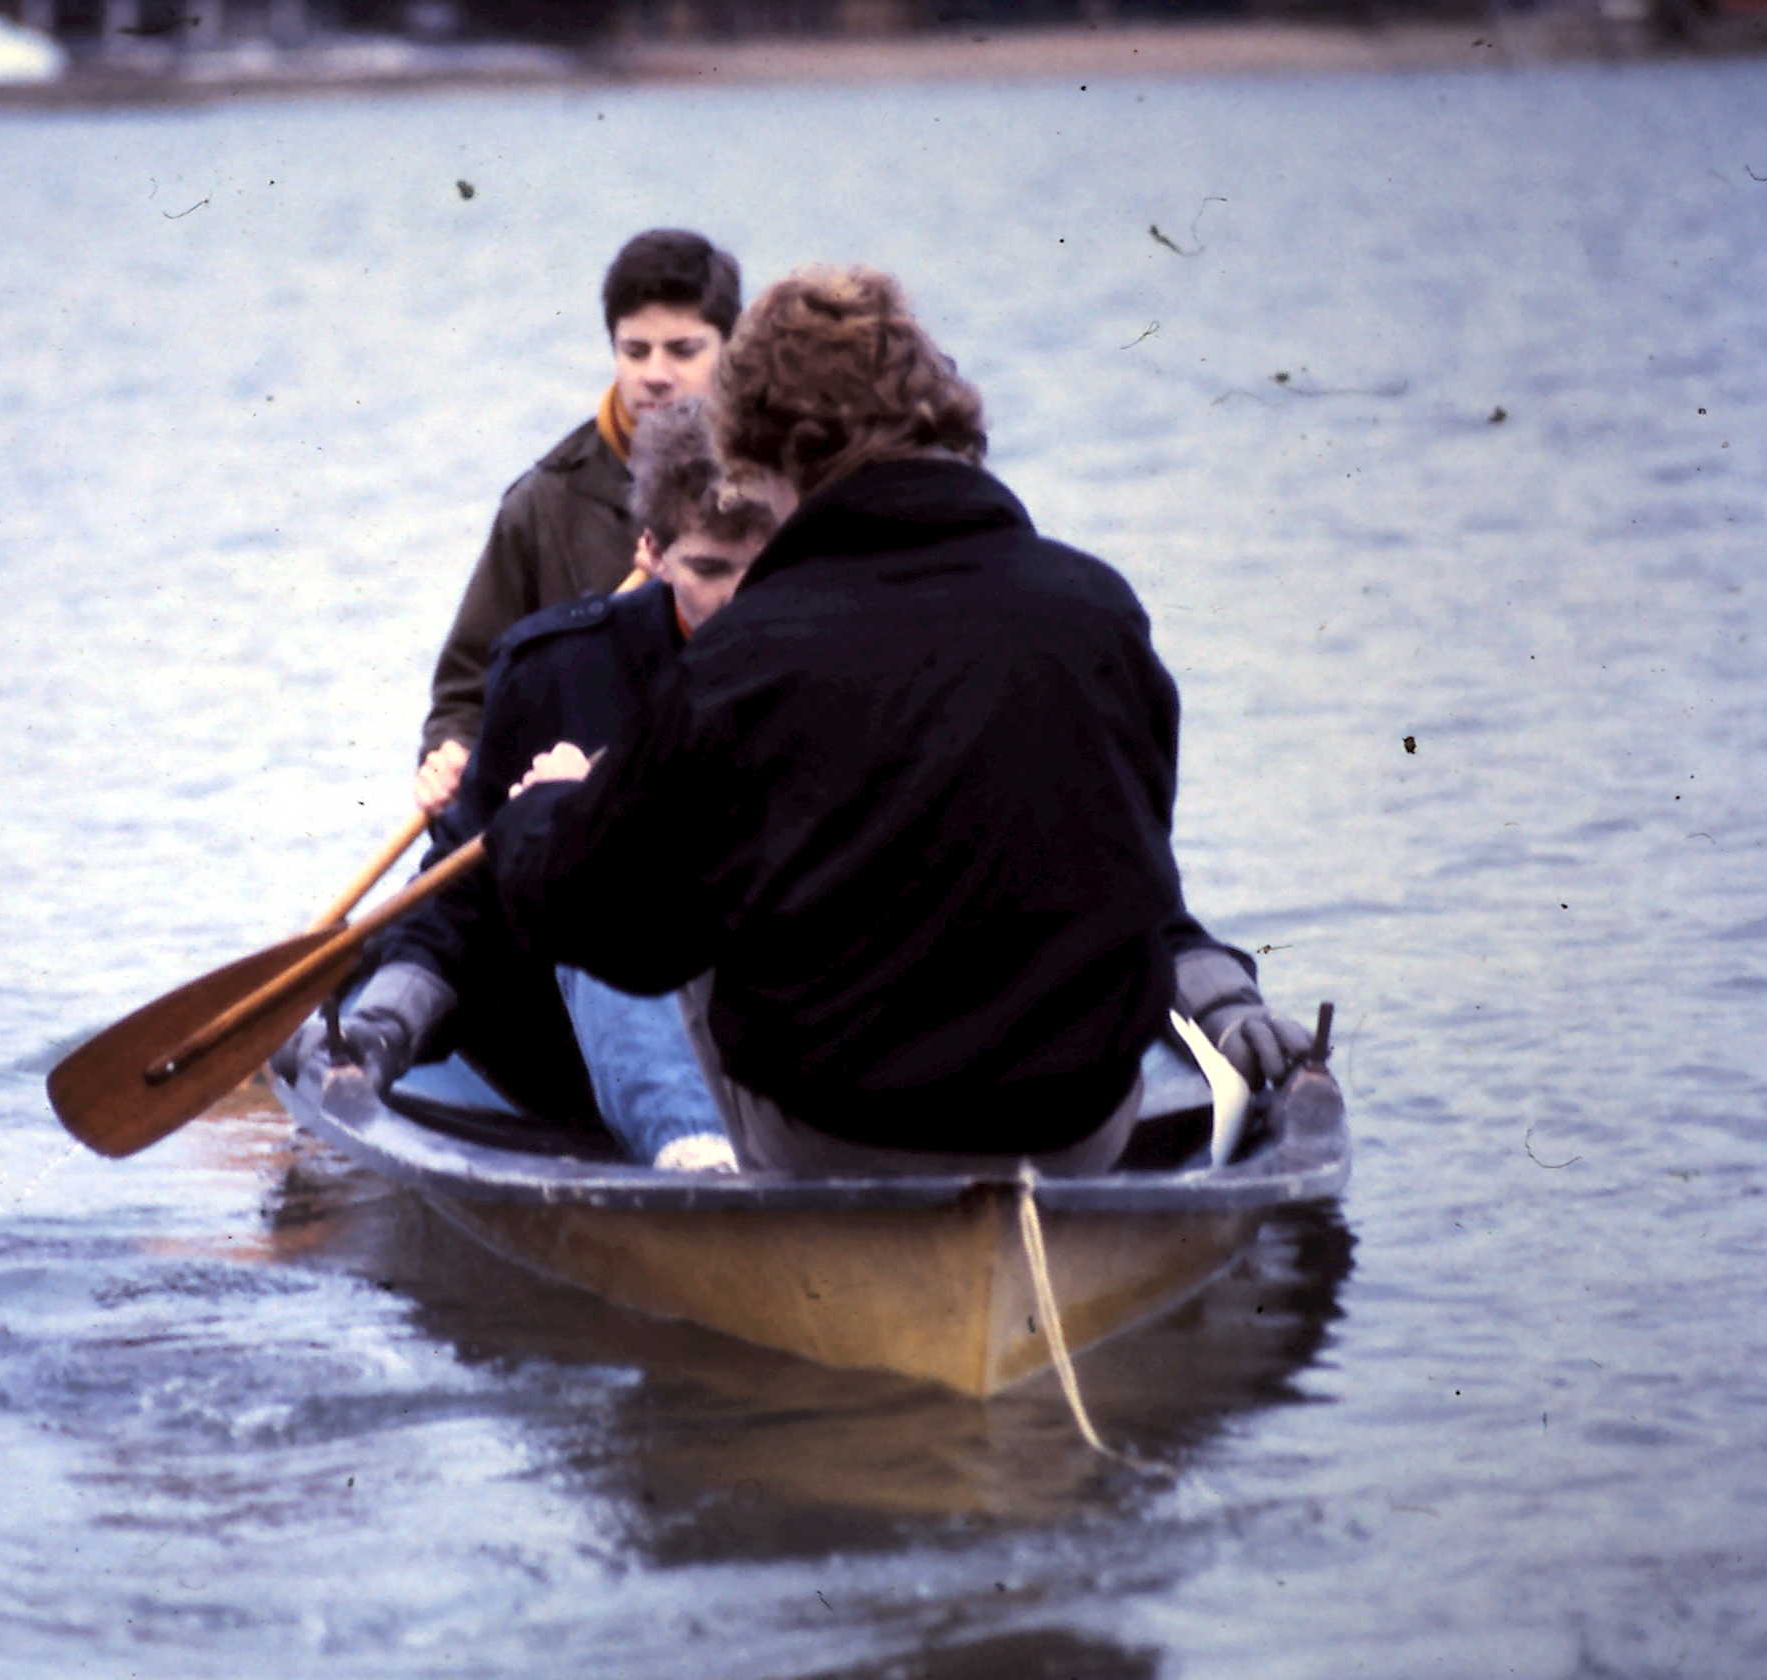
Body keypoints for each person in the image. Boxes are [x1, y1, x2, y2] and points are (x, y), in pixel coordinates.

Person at [487, 265, 1311, 1175]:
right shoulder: (1099, 609)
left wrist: (548, 808)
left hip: (835, 1138)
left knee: (670, 879)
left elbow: (619, 937)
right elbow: (1141, 882)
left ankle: (716, 1175)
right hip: (1078, 1128)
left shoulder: (741, 653)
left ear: (757, 453)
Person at [287, 401, 778, 1171]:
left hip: (785, 1026)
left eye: (769, 568)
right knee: (586, 858)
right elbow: (461, 895)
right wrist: (384, 1027)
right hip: (592, 1043)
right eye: (711, 571)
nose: (741, 602)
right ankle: (692, 1155)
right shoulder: (558, 670)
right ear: (652, 552)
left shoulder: (844, 658)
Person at [413, 228, 743, 817]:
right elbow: (466, 693)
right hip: (579, 819)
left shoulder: (782, 485)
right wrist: (451, 752)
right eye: (635, 351)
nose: (655, 373)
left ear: (732, 349)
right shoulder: (542, 503)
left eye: (682, 350)